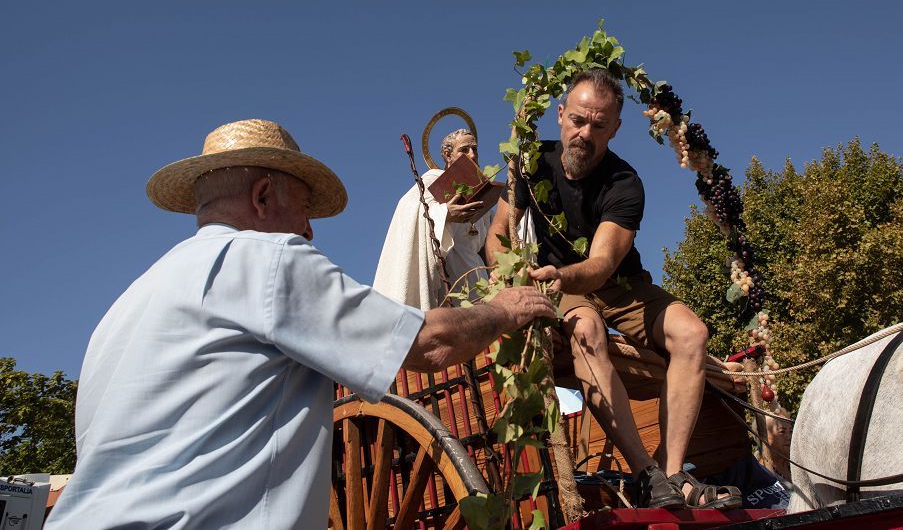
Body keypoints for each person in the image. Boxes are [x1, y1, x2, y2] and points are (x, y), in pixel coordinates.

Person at [46, 119, 554, 530]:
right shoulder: (265, 258)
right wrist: (506, 309)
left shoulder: (126, 304)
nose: (310, 229)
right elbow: (428, 343)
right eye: (305, 208)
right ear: (263, 196)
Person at [486, 69, 741, 510]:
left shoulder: (625, 183)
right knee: (587, 332)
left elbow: (602, 264)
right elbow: (497, 234)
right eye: (578, 120)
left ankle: (671, 472)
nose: (585, 133)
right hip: (559, 286)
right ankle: (645, 473)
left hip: (616, 283)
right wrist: (503, 270)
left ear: (615, 128)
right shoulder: (527, 163)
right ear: (560, 113)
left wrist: (563, 276)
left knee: (692, 334)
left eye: (599, 125)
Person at [374, 128, 491, 309]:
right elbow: (409, 207)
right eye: (464, 150)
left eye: (475, 149)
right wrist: (445, 213)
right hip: (447, 273)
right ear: (447, 155)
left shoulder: (482, 189)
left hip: (477, 274)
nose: (473, 154)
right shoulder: (433, 179)